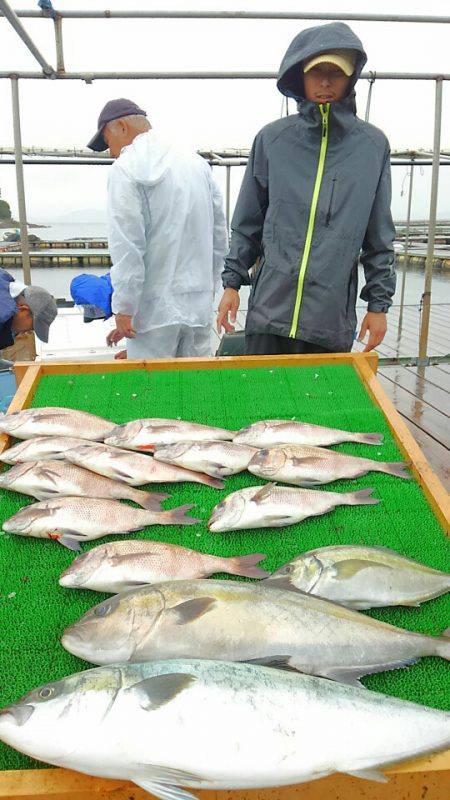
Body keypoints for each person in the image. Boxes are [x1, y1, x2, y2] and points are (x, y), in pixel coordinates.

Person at [217, 22, 396, 355]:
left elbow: (379, 235)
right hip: (268, 314)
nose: (325, 82)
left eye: (336, 72)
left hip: (329, 320)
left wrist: (378, 305)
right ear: (300, 76)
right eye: (316, 72)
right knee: (263, 388)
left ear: (351, 78)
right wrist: (232, 284)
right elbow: (247, 222)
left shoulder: (372, 146)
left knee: (321, 390)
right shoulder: (272, 139)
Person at [87, 98, 228, 359]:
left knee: (152, 383)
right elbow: (219, 236)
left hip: (153, 312)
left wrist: (124, 307)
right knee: (194, 380)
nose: (111, 153)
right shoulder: (196, 163)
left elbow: (127, 245)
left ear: (122, 127)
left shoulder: (126, 168)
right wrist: (211, 288)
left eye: (108, 142)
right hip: (197, 307)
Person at [0, 267, 57, 351]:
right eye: (32, 327)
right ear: (23, 309)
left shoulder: (6, 280)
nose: (25, 332)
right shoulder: (2, 315)